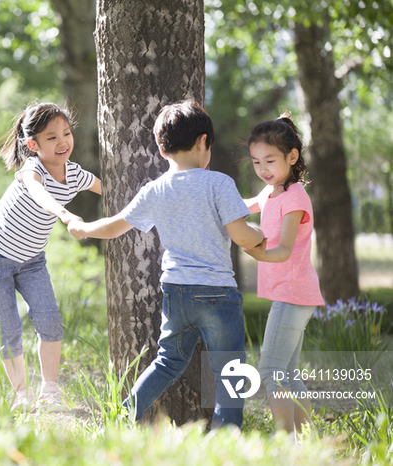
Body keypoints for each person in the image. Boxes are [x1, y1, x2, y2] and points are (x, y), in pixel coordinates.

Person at [68, 100, 264, 429]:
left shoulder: (155, 190)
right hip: (217, 295)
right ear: (204, 142)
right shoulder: (219, 183)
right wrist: (261, 235)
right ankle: (226, 436)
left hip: (176, 294)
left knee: (168, 361)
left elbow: (115, 225)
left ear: (162, 150)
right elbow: (242, 236)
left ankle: (122, 413)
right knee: (229, 369)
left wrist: (83, 228)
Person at [0, 102, 102, 412]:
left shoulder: (75, 174)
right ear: (33, 145)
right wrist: (65, 214)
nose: (63, 142)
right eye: (52, 137)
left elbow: (109, 189)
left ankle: (50, 389)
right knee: (7, 327)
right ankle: (21, 394)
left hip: (31, 260)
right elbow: (38, 192)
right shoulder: (32, 169)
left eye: (67, 133)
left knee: (50, 322)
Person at [242, 113, 324, 437]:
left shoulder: (295, 198)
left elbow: (284, 250)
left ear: (292, 157)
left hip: (294, 292)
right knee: (288, 373)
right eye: (256, 161)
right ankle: (307, 443)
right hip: (291, 293)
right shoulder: (271, 192)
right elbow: (243, 206)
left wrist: (255, 251)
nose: (263, 169)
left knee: (271, 369)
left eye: (270, 160)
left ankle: (285, 443)